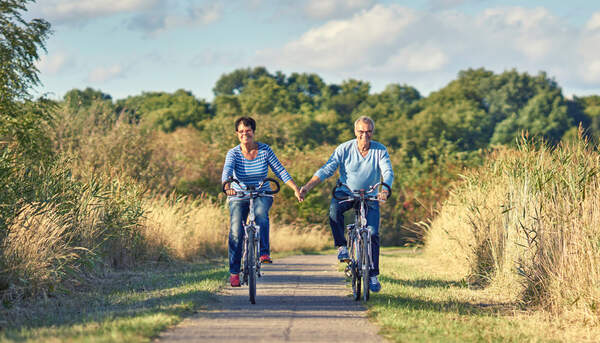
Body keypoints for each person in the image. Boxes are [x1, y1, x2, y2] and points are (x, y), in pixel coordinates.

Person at [299, 116, 393, 292]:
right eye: (361, 132)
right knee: (334, 210)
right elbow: (327, 169)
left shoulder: (380, 150)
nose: (365, 136)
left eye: (368, 132)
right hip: (346, 191)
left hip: (370, 195)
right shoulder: (344, 149)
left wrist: (385, 190)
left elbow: (387, 171)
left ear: (372, 132)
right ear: (355, 131)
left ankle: (372, 275)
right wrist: (308, 187)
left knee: (372, 233)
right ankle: (342, 246)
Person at [222, 116, 302, 287]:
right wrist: (228, 185)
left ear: (254, 132)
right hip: (238, 194)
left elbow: (280, 170)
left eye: (248, 130)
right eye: (241, 131)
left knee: (260, 214)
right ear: (237, 134)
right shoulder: (233, 153)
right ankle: (234, 272)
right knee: (236, 231)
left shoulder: (265, 150)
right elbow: (227, 170)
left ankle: (263, 253)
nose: (245, 134)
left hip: (262, 192)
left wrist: (295, 188)